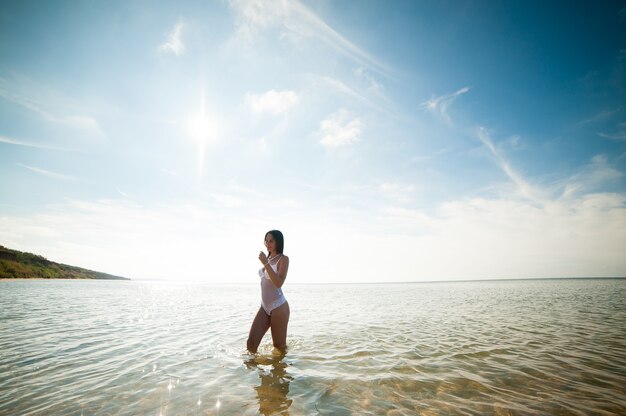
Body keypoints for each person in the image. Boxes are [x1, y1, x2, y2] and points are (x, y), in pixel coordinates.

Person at [247, 230, 290, 354]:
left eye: (271, 241)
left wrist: (265, 263)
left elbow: (278, 283)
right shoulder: (268, 258)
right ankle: (254, 372)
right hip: (264, 307)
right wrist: (266, 262)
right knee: (251, 343)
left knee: (279, 346)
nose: (268, 243)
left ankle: (280, 371)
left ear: (278, 242)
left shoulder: (283, 259)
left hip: (279, 307)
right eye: (266, 240)